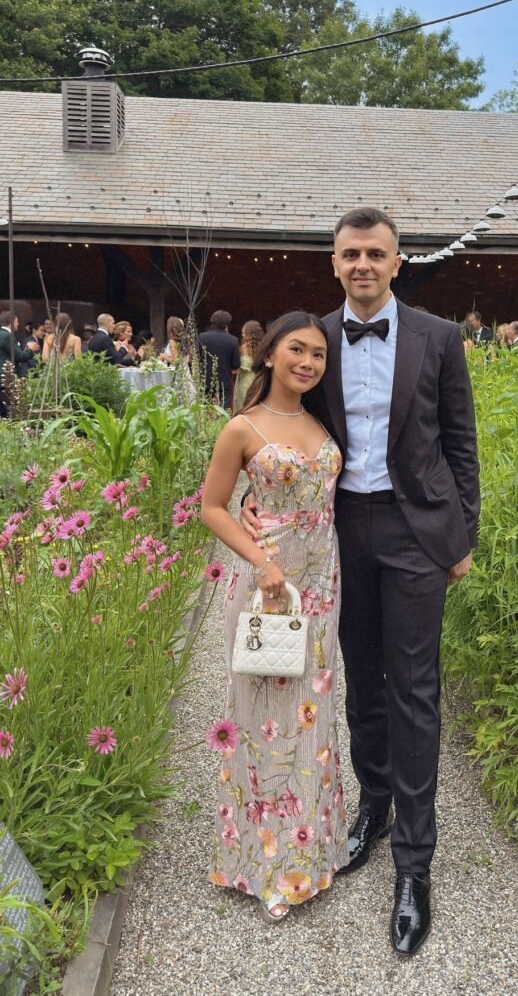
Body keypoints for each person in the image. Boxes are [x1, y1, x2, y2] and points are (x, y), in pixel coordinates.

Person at [242, 207, 480, 955]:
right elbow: (274, 420)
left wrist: (460, 533)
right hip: (338, 533)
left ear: (397, 262)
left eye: (376, 253)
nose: (363, 264)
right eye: (351, 254)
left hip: (416, 534)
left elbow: (460, 443)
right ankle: (372, 804)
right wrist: (260, 514)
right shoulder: (313, 340)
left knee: (413, 687)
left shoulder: (439, 338)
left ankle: (415, 864)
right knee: (360, 679)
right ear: (334, 261)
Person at [201, 310, 349, 923]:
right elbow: (212, 507)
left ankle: (312, 850)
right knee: (263, 709)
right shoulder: (243, 427)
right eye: (297, 349)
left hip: (324, 579)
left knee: (313, 706)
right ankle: (261, 859)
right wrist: (260, 559)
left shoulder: (322, 421)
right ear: (267, 354)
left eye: (318, 353)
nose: (308, 362)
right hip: (271, 583)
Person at [198, 309, 240, 408]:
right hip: (224, 381)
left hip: (206, 379)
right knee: (224, 411)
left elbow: (197, 357)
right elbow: (236, 365)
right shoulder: (233, 340)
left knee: (204, 408)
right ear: (227, 324)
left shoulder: (202, 337)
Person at [0, 311, 37, 413]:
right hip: (5, 378)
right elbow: (19, 356)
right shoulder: (7, 336)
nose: (18, 324)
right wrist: (31, 350)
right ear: (11, 322)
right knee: (8, 410)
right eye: (17, 321)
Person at [233, 319, 265, 412]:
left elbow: (240, 365)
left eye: (244, 332)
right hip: (259, 378)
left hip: (245, 379)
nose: (242, 334)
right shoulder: (263, 346)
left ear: (249, 333)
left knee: (243, 399)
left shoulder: (244, 347)